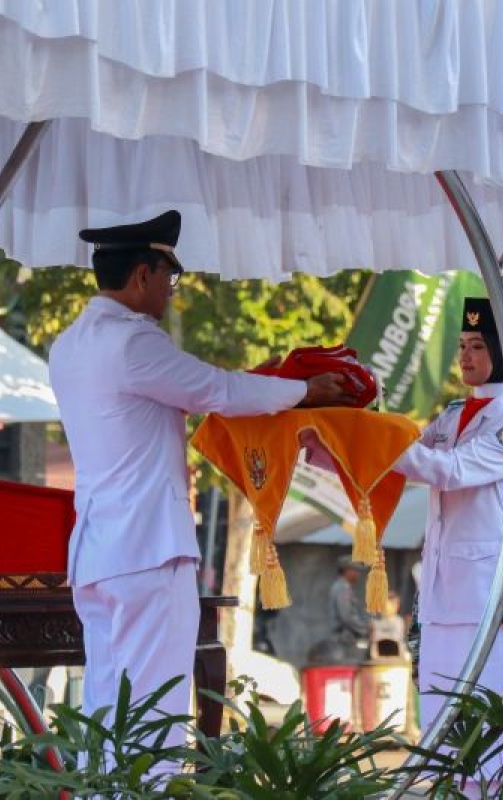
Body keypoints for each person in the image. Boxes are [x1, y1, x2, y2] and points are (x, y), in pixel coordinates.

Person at [48, 211, 357, 751]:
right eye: (169, 277)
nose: (171, 291)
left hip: (99, 554)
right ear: (142, 275)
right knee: (153, 715)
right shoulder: (132, 343)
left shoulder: (68, 344)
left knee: (106, 708)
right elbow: (216, 391)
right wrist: (303, 390)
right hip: (147, 551)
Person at [392, 296, 503, 789]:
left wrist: (374, 443)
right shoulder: (455, 414)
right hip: (442, 594)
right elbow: (409, 453)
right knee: (442, 732)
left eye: (478, 345)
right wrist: (335, 446)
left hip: (486, 596)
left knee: (491, 735)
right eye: (461, 345)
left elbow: (449, 470)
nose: (466, 356)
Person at [329, 557, 371, 664]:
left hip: (347, 639)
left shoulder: (343, 587)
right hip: (346, 639)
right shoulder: (342, 588)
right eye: (355, 570)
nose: (358, 574)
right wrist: (365, 630)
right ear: (347, 571)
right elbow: (346, 616)